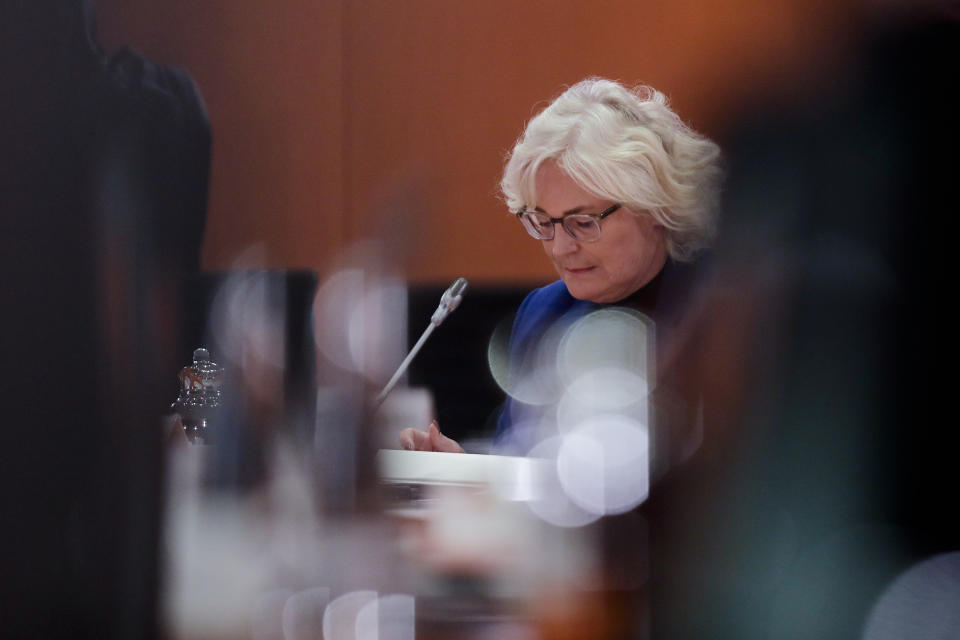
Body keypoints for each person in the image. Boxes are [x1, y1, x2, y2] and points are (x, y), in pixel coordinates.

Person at [400, 77, 722, 454]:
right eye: (543, 222)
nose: (560, 247)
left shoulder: (720, 317)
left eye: (584, 223)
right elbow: (527, 467)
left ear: (657, 207)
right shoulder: (543, 313)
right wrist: (469, 472)